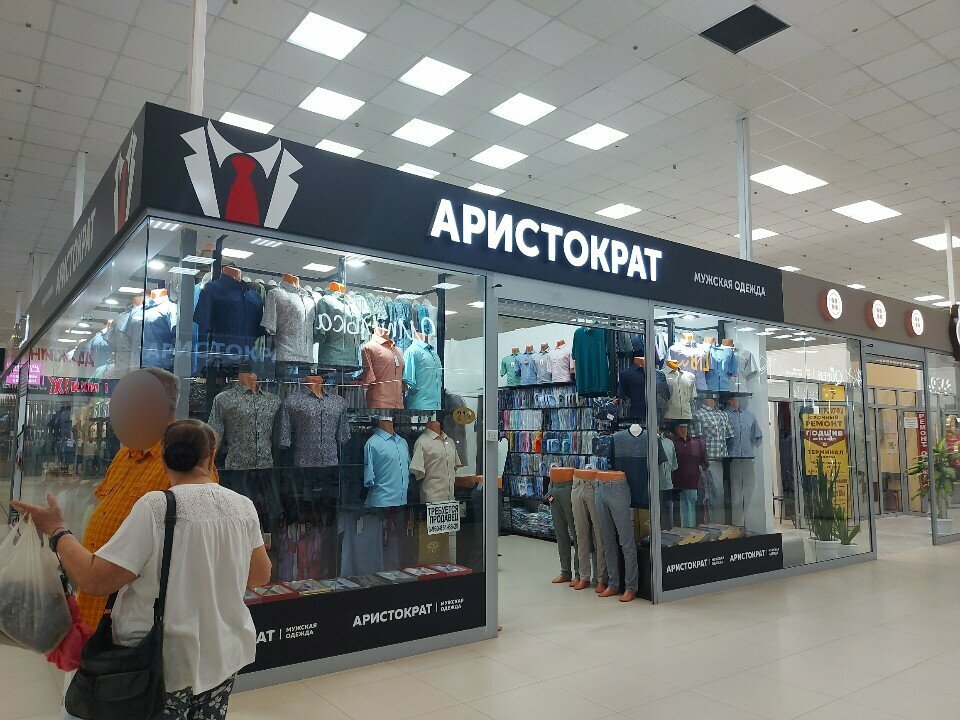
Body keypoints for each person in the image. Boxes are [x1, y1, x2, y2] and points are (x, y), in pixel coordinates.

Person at [13, 419, 271, 720]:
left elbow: (95, 579)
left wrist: (57, 531)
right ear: (211, 457)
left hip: (162, 664)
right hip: (223, 656)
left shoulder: (157, 507)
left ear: (164, 457)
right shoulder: (243, 506)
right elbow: (259, 576)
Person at [76, 368, 218, 632]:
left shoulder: (185, 464)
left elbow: (195, 545)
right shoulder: (126, 453)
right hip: (93, 605)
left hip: (134, 618)